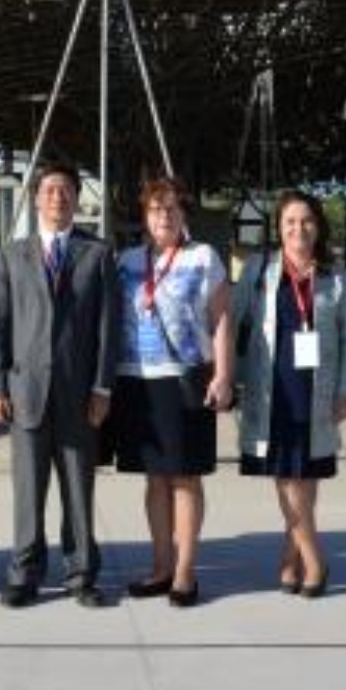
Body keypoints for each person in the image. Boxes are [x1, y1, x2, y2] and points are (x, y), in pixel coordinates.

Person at [0, 162, 118, 608]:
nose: (57, 198)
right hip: (25, 392)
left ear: (77, 198)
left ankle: (81, 574)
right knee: (28, 492)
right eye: (49, 190)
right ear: (36, 198)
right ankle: (24, 575)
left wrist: (102, 388)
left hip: (80, 395)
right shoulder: (11, 255)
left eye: (65, 191)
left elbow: (108, 328)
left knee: (79, 491)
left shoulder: (97, 254)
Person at [111, 176, 232, 607]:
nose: (163, 215)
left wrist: (223, 375)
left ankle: (185, 572)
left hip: (185, 378)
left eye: (171, 208)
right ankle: (161, 566)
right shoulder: (127, 261)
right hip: (138, 380)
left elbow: (221, 320)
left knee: (185, 476)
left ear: (183, 214)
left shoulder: (203, 257)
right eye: (155, 208)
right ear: (145, 216)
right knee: (155, 479)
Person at [233, 190, 346, 598]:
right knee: (285, 475)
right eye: (289, 221)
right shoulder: (259, 269)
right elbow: (234, 322)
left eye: (306, 221)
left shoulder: (334, 276)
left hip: (317, 388)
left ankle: (291, 557)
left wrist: (345, 390)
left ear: (318, 226)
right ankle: (314, 559)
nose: (298, 229)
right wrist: (226, 376)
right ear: (278, 227)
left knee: (305, 475)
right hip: (274, 390)